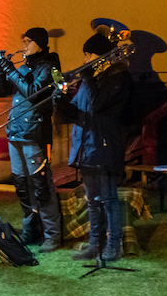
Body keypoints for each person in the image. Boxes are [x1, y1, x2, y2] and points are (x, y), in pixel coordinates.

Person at [55, 33, 133, 262]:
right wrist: (58, 98)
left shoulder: (117, 78)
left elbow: (98, 105)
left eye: (88, 54)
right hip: (86, 147)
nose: (84, 59)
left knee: (108, 199)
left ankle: (113, 245)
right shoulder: (89, 81)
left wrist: (87, 79)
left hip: (105, 146)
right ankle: (94, 244)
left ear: (101, 55)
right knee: (92, 201)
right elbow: (75, 112)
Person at [0, 27, 62, 252]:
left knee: (41, 186)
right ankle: (31, 232)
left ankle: (53, 235)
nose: (24, 45)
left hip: (35, 133)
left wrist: (10, 70)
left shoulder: (48, 67)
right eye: (23, 41)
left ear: (40, 43)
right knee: (22, 187)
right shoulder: (24, 67)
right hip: (16, 132)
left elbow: (33, 92)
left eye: (28, 41)